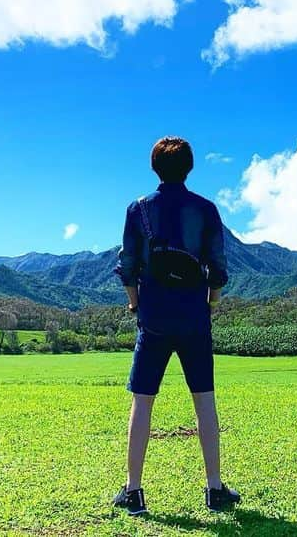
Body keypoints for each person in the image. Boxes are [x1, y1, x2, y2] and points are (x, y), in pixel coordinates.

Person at [111, 136, 241, 517]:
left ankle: (133, 492)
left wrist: (135, 304)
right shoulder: (206, 209)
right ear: (190, 167)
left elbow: (128, 265)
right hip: (193, 317)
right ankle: (215, 489)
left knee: (143, 402)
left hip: (153, 317)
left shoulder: (138, 209)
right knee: (204, 401)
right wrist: (210, 304)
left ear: (155, 167)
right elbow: (217, 268)